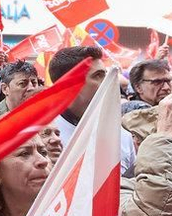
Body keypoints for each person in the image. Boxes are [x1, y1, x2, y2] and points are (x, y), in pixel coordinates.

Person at [49, 46, 138, 176]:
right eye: (98, 76)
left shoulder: (123, 136)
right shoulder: (43, 139)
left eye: (106, 75)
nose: (109, 82)